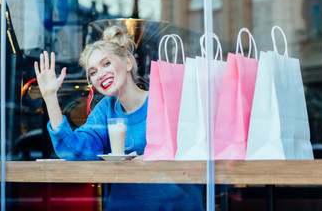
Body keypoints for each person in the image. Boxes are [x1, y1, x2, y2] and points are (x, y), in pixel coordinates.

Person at [34, 25, 204, 211]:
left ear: (128, 63)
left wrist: (150, 158)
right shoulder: (105, 109)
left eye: (106, 64)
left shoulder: (166, 100)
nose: (100, 74)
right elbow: (74, 151)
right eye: (93, 72)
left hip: (175, 205)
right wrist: (50, 97)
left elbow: (195, 151)